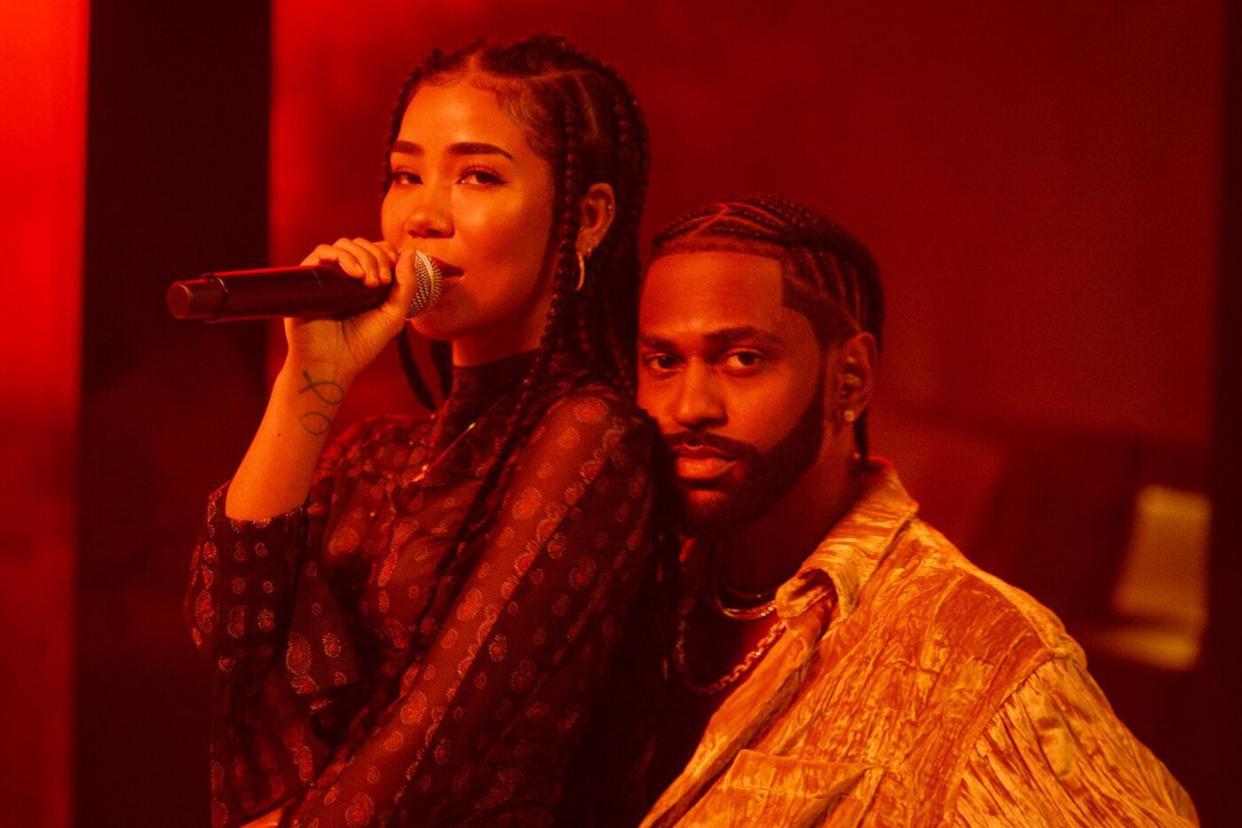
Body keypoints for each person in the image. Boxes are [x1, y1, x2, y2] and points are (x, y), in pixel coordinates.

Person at [184, 35, 656, 827]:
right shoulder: (377, 455)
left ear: (585, 217)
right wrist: (311, 381)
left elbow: (428, 747)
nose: (424, 215)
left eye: (477, 176)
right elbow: (229, 628)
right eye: (407, 175)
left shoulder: (593, 440)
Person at [615, 194, 1196, 825]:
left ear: (852, 378)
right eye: (664, 362)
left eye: (744, 358)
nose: (691, 405)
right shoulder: (635, 596)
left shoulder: (979, 656)